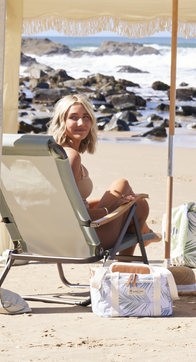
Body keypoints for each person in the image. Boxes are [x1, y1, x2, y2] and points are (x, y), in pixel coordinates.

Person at [48, 94, 158, 251]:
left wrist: (115, 202)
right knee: (128, 191)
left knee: (134, 203)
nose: (81, 122)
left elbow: (69, 201)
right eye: (73, 117)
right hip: (85, 240)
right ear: (62, 121)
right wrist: (108, 209)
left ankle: (145, 235)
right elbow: (69, 211)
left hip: (61, 236)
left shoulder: (52, 153)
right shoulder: (71, 157)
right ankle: (143, 238)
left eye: (86, 117)